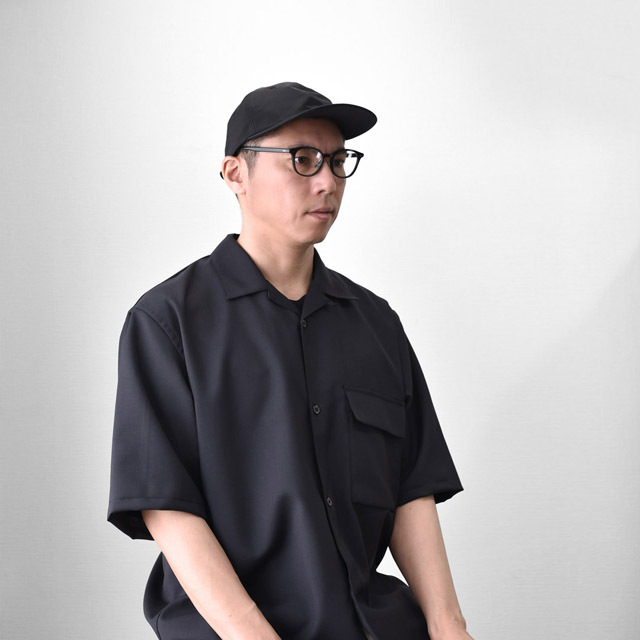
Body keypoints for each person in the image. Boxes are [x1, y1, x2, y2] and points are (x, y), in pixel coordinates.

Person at [108, 81, 473, 640]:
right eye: (302, 159)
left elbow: (411, 490)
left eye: (337, 161)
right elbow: (167, 508)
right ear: (235, 174)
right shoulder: (168, 322)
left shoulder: (375, 324)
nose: (327, 181)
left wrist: (450, 628)